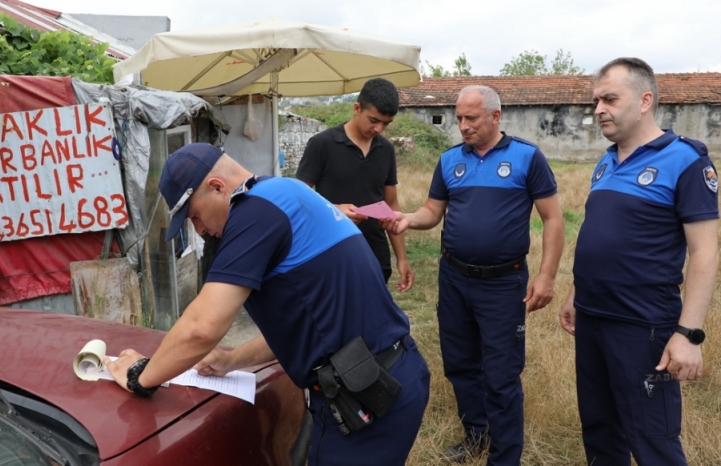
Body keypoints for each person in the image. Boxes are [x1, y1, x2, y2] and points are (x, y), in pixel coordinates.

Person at [103, 143, 430, 466]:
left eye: (196, 216)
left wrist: (139, 376)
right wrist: (231, 361)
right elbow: (310, 326)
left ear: (217, 187)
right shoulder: (283, 190)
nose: (201, 230)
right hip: (389, 374)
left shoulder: (253, 214)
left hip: (367, 395)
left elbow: (201, 329)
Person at [382, 85, 565, 465]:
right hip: (455, 278)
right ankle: (476, 435)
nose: (462, 126)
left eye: (471, 118)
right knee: (461, 363)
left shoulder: (526, 157)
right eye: (459, 118)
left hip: (504, 282)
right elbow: (433, 211)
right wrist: (407, 219)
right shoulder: (450, 161)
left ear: (495, 117)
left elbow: (553, 218)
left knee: (501, 373)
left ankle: (504, 454)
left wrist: (546, 276)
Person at [559, 57, 718, 466]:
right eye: (595, 100)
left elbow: (705, 251)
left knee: (652, 442)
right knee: (600, 432)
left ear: (645, 100)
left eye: (609, 98)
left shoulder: (686, 160)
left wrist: (688, 333)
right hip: (593, 320)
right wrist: (577, 292)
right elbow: (599, 232)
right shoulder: (605, 161)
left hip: (642, 326)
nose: (598, 109)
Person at [296, 78, 413, 291]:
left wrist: (401, 258)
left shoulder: (386, 149)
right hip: (331, 251)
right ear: (357, 108)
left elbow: (392, 204)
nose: (379, 128)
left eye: (386, 123)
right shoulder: (322, 144)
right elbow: (298, 198)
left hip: (375, 254)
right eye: (374, 120)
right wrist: (334, 209)